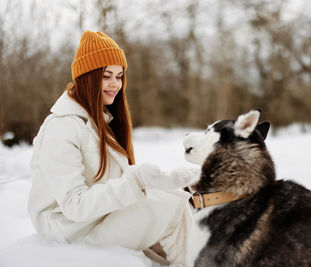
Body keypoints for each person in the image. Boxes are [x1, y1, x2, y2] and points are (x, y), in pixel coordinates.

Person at [28, 31, 197, 266]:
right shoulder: (62, 127)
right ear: (87, 77)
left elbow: (111, 183)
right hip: (68, 230)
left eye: (119, 76)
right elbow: (74, 205)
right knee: (171, 208)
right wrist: (135, 181)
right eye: (106, 76)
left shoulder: (101, 122)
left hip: (96, 219)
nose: (115, 84)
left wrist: (156, 181)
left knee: (175, 199)